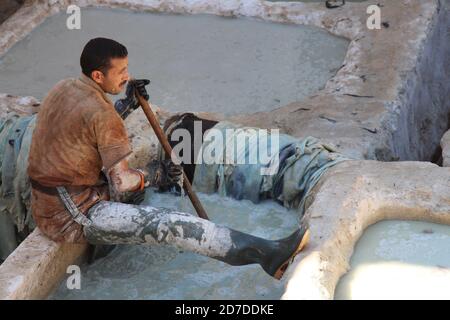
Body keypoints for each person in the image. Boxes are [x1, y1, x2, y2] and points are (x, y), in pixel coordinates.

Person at [25, 37, 309, 280]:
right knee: (174, 224)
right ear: (98, 76)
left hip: (49, 200)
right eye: (121, 71)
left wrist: (126, 105)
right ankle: (268, 255)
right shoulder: (103, 114)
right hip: (73, 213)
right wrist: (153, 174)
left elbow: (86, 130)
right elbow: (122, 182)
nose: (127, 76)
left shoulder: (65, 87)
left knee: (140, 202)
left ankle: (112, 255)